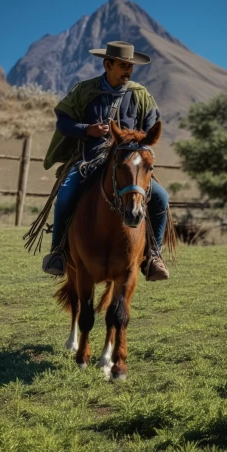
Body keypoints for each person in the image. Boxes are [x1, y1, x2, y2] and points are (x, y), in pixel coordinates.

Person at [42, 41, 169, 281]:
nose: (128, 71)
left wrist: (138, 140)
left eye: (130, 67)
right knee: (66, 193)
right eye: (123, 66)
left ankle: (154, 255)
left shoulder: (140, 95)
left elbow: (152, 127)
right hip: (89, 161)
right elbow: (62, 122)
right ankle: (58, 251)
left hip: (128, 165)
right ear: (107, 64)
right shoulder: (84, 91)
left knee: (161, 197)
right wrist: (86, 129)